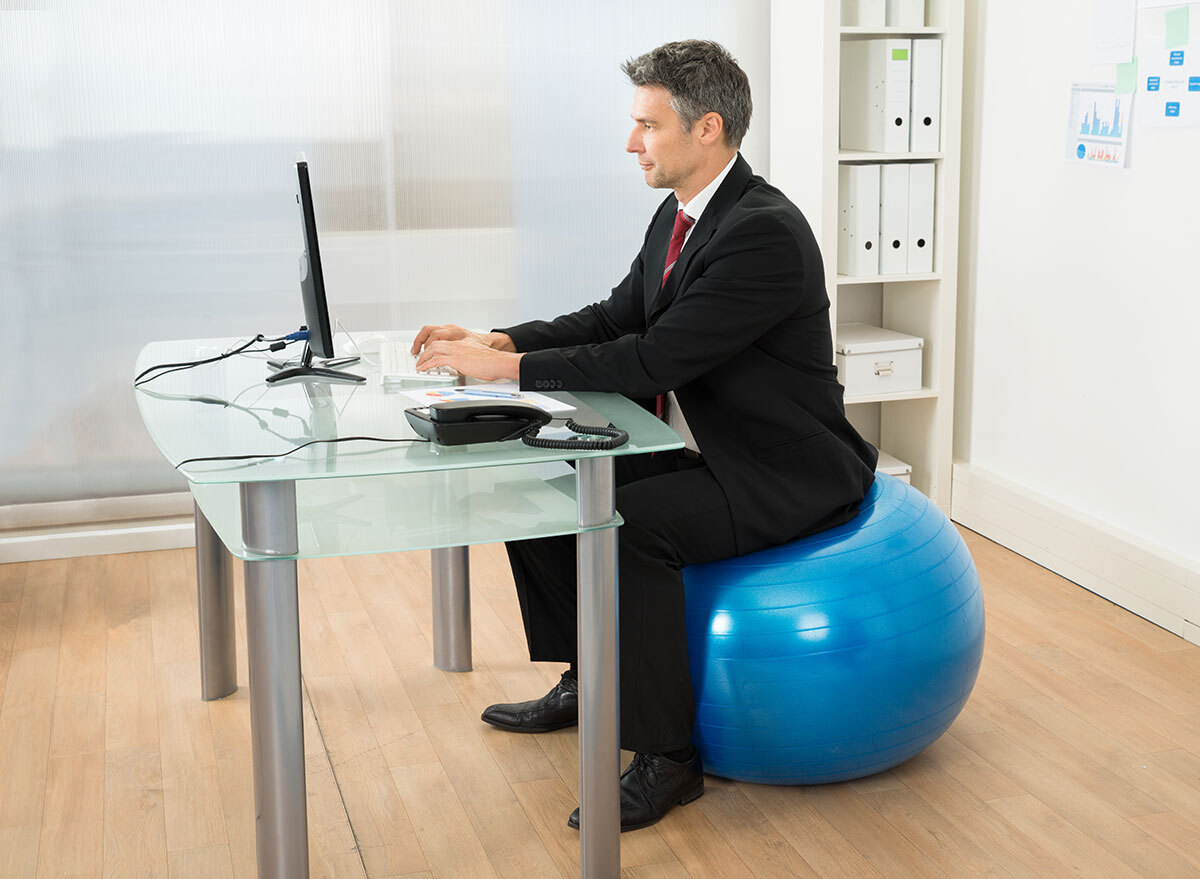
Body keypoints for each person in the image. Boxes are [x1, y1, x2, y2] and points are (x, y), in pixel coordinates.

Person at [411, 39, 878, 830]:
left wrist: (511, 371)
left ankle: (668, 758)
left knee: (631, 531)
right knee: (551, 485)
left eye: (647, 125)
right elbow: (616, 314)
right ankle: (589, 679)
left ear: (708, 129)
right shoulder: (683, 212)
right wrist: (501, 339)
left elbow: (655, 354)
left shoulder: (763, 233)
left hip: (780, 471)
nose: (632, 143)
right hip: (706, 451)